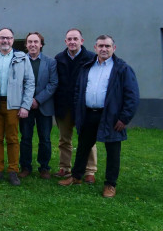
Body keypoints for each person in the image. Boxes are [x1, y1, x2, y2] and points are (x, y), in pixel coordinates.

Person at [59, 35, 139, 198]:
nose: (104, 49)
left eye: (107, 46)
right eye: (101, 46)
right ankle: (76, 176)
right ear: (95, 48)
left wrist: (124, 118)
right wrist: (78, 110)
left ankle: (110, 184)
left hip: (111, 116)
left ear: (113, 48)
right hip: (89, 114)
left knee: (113, 151)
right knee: (83, 147)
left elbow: (132, 95)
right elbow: (78, 91)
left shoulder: (122, 68)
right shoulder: (87, 66)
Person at [0, 28, 34, 186]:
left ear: (13, 39)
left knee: (12, 138)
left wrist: (25, 106)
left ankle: (13, 171)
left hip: (14, 104)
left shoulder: (22, 58)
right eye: (2, 38)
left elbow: (29, 83)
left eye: (8, 38)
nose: (5, 41)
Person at [53, 28, 97, 182]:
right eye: (69, 39)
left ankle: (90, 171)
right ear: (65, 42)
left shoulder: (91, 58)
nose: (72, 42)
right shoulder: (59, 58)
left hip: (83, 107)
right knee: (64, 139)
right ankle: (65, 167)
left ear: (81, 41)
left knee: (87, 139)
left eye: (75, 39)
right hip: (63, 106)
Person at [19, 32, 58, 179]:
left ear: (41, 44)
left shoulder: (50, 62)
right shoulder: (20, 61)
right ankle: (25, 166)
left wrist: (38, 100)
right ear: (26, 44)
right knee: (25, 138)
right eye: (30, 42)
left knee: (45, 139)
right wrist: (28, 101)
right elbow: (17, 83)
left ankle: (44, 167)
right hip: (25, 107)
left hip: (44, 106)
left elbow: (53, 83)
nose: (32, 44)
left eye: (36, 42)